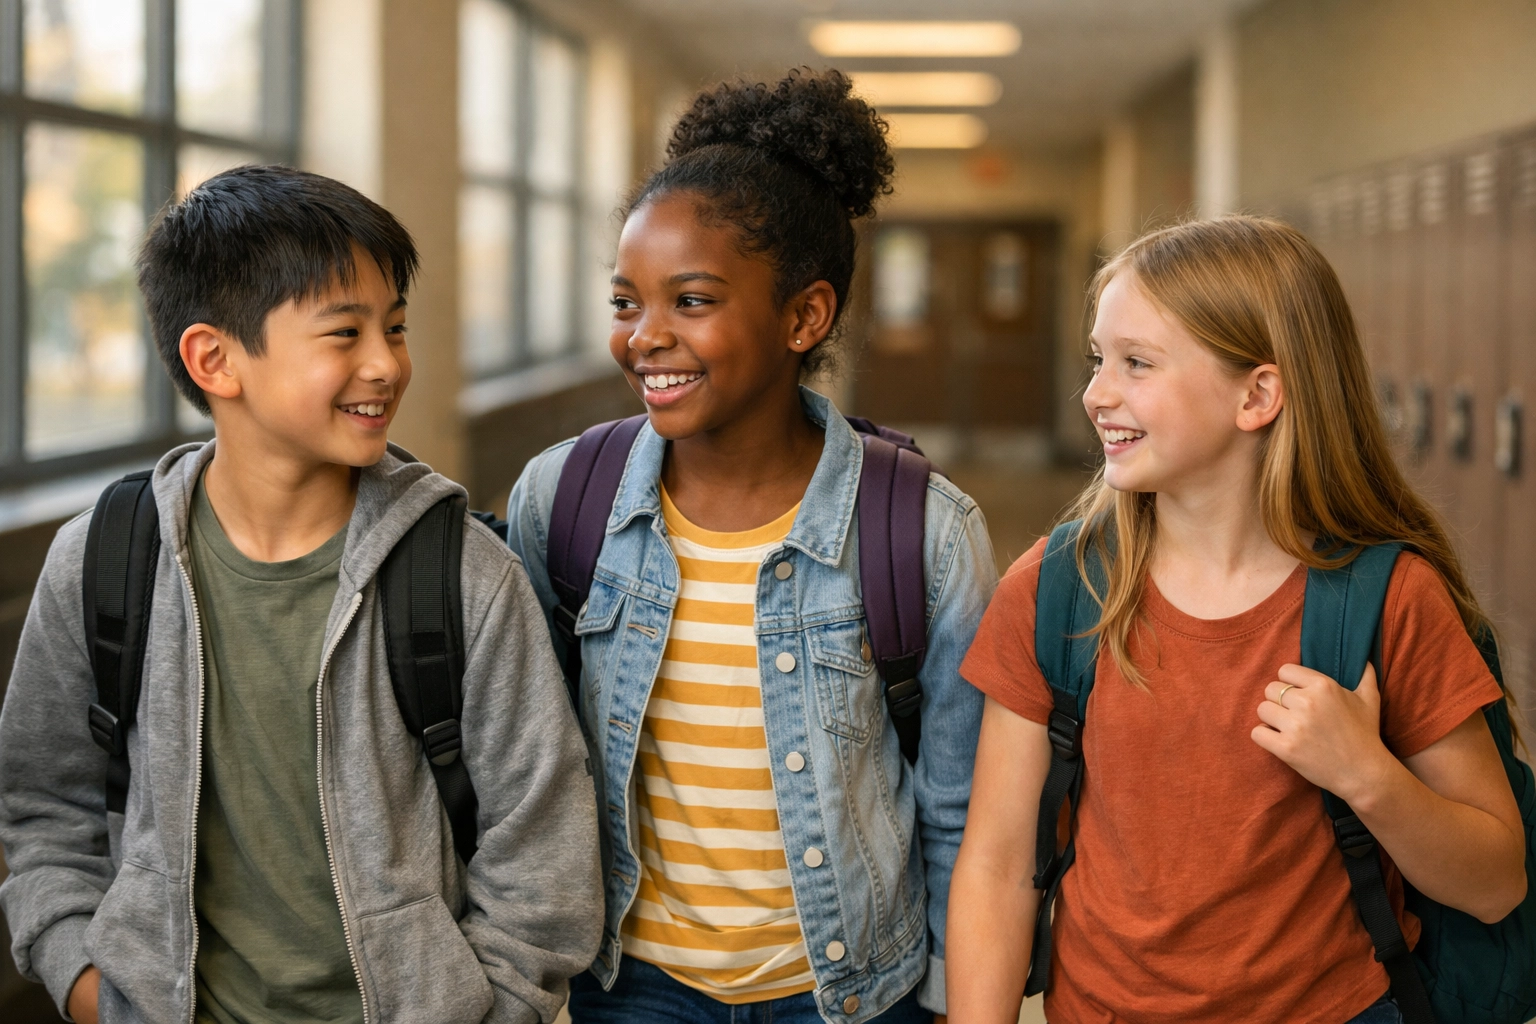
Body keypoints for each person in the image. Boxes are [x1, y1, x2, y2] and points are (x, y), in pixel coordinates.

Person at [0, 166, 602, 1024]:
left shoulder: (464, 575)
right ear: (215, 359)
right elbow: (41, 805)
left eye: (394, 328)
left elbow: (542, 841)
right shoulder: (102, 559)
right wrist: (96, 990)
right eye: (343, 333)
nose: (386, 363)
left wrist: (494, 1007)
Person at [504, 69, 996, 1024]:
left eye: (690, 301)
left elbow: (956, 812)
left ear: (804, 317)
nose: (645, 337)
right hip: (633, 987)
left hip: (849, 992)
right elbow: (522, 768)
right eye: (625, 302)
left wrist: (946, 1003)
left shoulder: (926, 534)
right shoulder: (562, 499)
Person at [947, 216, 1527, 1023]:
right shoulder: (1056, 589)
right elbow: (1000, 867)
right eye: (1098, 359)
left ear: (1257, 395)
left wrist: (1366, 773)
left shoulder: (1388, 599)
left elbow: (1497, 884)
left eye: (1137, 364)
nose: (1095, 393)